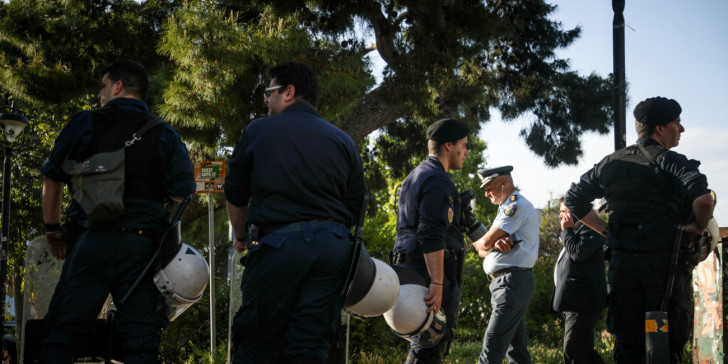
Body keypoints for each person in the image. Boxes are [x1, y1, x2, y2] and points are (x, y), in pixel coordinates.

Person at [39, 60, 196, 362]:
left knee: (63, 333)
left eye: (102, 86)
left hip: (90, 242)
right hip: (141, 250)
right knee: (140, 340)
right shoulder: (164, 132)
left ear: (117, 86)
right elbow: (182, 192)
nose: (100, 94)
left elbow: (52, 176)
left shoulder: (84, 123)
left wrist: (53, 230)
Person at [225, 61, 367, 363]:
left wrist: (241, 237)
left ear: (288, 92)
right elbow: (358, 203)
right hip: (333, 250)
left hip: (278, 246)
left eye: (269, 92)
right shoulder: (343, 140)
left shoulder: (258, 130)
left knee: (257, 342)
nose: (266, 99)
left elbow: (236, 194)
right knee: (311, 345)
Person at [564, 96, 716, 363]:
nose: (681, 129)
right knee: (665, 344)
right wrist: (697, 228)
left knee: (628, 343)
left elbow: (574, 199)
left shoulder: (610, 163)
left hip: (622, 268)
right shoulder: (670, 162)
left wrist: (606, 232)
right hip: (663, 268)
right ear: (660, 128)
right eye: (676, 123)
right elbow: (705, 199)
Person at [391, 118, 480, 363]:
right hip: (426, 279)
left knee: (425, 347)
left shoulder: (416, 174)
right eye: (464, 145)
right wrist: (438, 283)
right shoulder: (437, 180)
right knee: (429, 346)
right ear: (449, 146)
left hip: (411, 273)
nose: (467, 151)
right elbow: (431, 233)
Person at [472, 166, 539, 364]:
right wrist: (493, 244)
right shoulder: (504, 209)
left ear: (503, 183)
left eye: (489, 187)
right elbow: (482, 251)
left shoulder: (515, 206)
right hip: (506, 283)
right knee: (516, 351)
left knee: (492, 345)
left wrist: (489, 243)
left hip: (511, 282)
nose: (486, 194)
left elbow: (482, 243)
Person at [551, 198, 607, 364]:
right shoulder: (575, 230)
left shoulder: (592, 228)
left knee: (573, 353)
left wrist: (567, 231)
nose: (561, 217)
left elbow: (578, 253)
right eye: (560, 212)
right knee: (585, 353)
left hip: (582, 303)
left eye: (564, 212)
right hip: (574, 302)